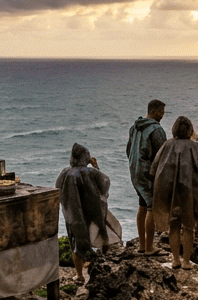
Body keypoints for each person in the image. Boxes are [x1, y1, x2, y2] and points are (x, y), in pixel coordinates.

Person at [150, 115, 198, 270]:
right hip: (190, 192)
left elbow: (154, 169)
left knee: (174, 225)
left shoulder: (167, 145)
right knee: (189, 227)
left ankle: (175, 260)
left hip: (170, 192)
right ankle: (186, 261)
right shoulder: (196, 147)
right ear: (190, 130)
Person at [56, 143, 122, 283]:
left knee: (77, 243)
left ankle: (79, 276)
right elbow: (104, 184)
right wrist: (95, 166)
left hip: (73, 215)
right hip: (93, 213)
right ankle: (103, 265)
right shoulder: (90, 172)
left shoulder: (65, 172)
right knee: (102, 235)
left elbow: (57, 189)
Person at [127, 99, 168, 255]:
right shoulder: (156, 130)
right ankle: (150, 248)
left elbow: (128, 150)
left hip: (135, 172)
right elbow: (162, 154)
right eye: (162, 113)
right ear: (155, 111)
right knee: (151, 206)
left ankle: (142, 246)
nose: (162, 116)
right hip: (148, 173)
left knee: (142, 205)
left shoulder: (134, 127)